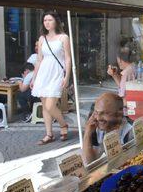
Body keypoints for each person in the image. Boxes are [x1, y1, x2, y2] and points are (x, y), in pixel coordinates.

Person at [30, 11, 72, 145]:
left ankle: (63, 124)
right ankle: (49, 134)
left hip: (57, 72)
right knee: (45, 106)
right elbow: (38, 60)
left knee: (50, 105)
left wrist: (67, 76)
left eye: (50, 20)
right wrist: (33, 78)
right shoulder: (42, 38)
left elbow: (68, 58)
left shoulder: (63, 37)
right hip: (43, 73)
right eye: (45, 20)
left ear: (56, 22)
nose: (47, 23)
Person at [81, 92, 134, 163]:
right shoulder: (94, 127)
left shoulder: (130, 131)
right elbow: (89, 162)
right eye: (96, 112)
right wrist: (87, 133)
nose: (98, 118)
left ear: (119, 114)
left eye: (104, 113)